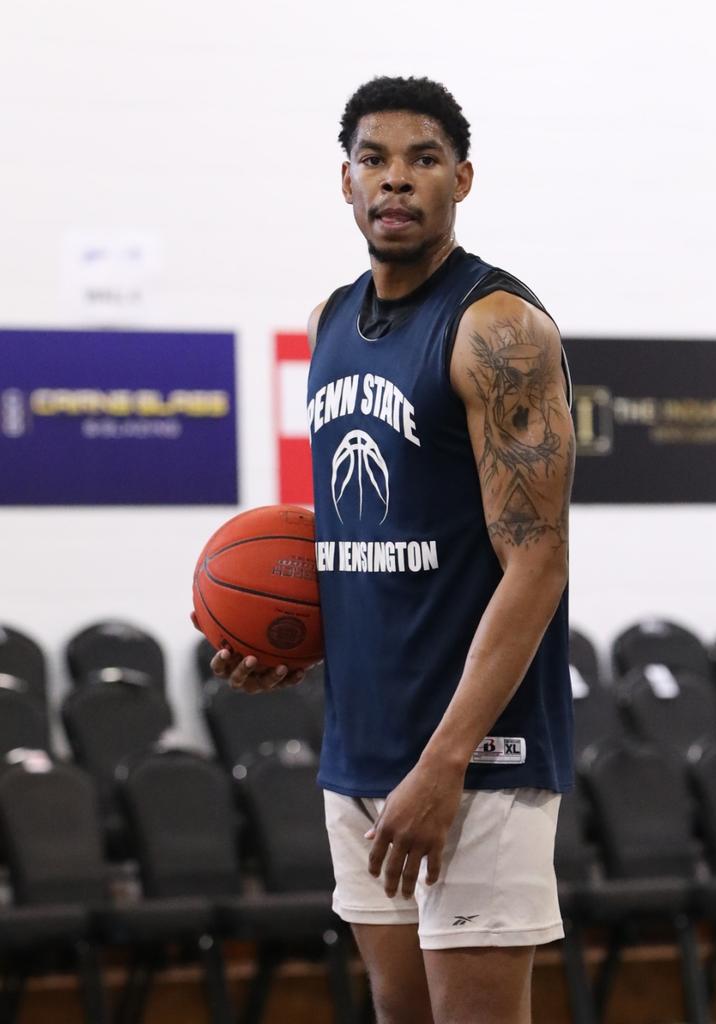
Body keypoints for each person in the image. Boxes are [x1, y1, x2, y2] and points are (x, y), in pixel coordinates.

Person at [205, 76, 575, 1024]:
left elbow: (537, 563)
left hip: (477, 758)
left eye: (422, 160)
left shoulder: (500, 331)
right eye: (375, 160)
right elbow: (368, 540)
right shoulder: (333, 320)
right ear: (346, 182)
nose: (396, 181)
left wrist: (445, 763)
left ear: (463, 177)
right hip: (361, 751)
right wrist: (292, 637)